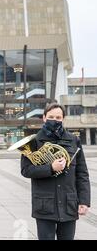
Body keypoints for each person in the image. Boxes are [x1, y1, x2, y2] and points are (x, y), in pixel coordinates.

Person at [21, 103, 91, 240]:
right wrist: (51, 168)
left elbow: (82, 173)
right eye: (51, 116)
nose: (55, 120)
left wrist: (84, 201)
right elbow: (26, 170)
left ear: (63, 118)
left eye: (58, 117)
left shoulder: (73, 140)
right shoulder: (33, 142)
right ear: (44, 118)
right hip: (44, 205)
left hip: (68, 203)